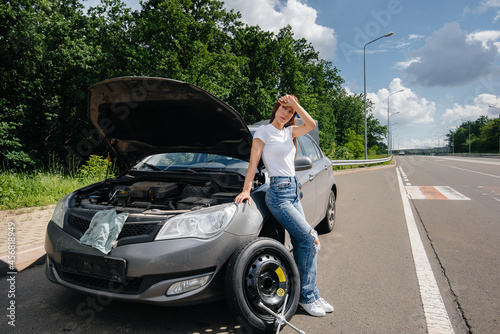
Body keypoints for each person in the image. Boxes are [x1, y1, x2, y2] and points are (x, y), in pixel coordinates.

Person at [235, 95, 333, 317]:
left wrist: (296, 105)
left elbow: (311, 124)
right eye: (283, 109)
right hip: (278, 194)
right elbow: (253, 162)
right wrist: (246, 190)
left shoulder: (290, 132)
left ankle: (310, 294)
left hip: (293, 190)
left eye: (290, 112)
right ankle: (307, 297)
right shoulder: (264, 132)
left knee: (302, 242)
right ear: (276, 108)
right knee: (310, 237)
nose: (285, 114)